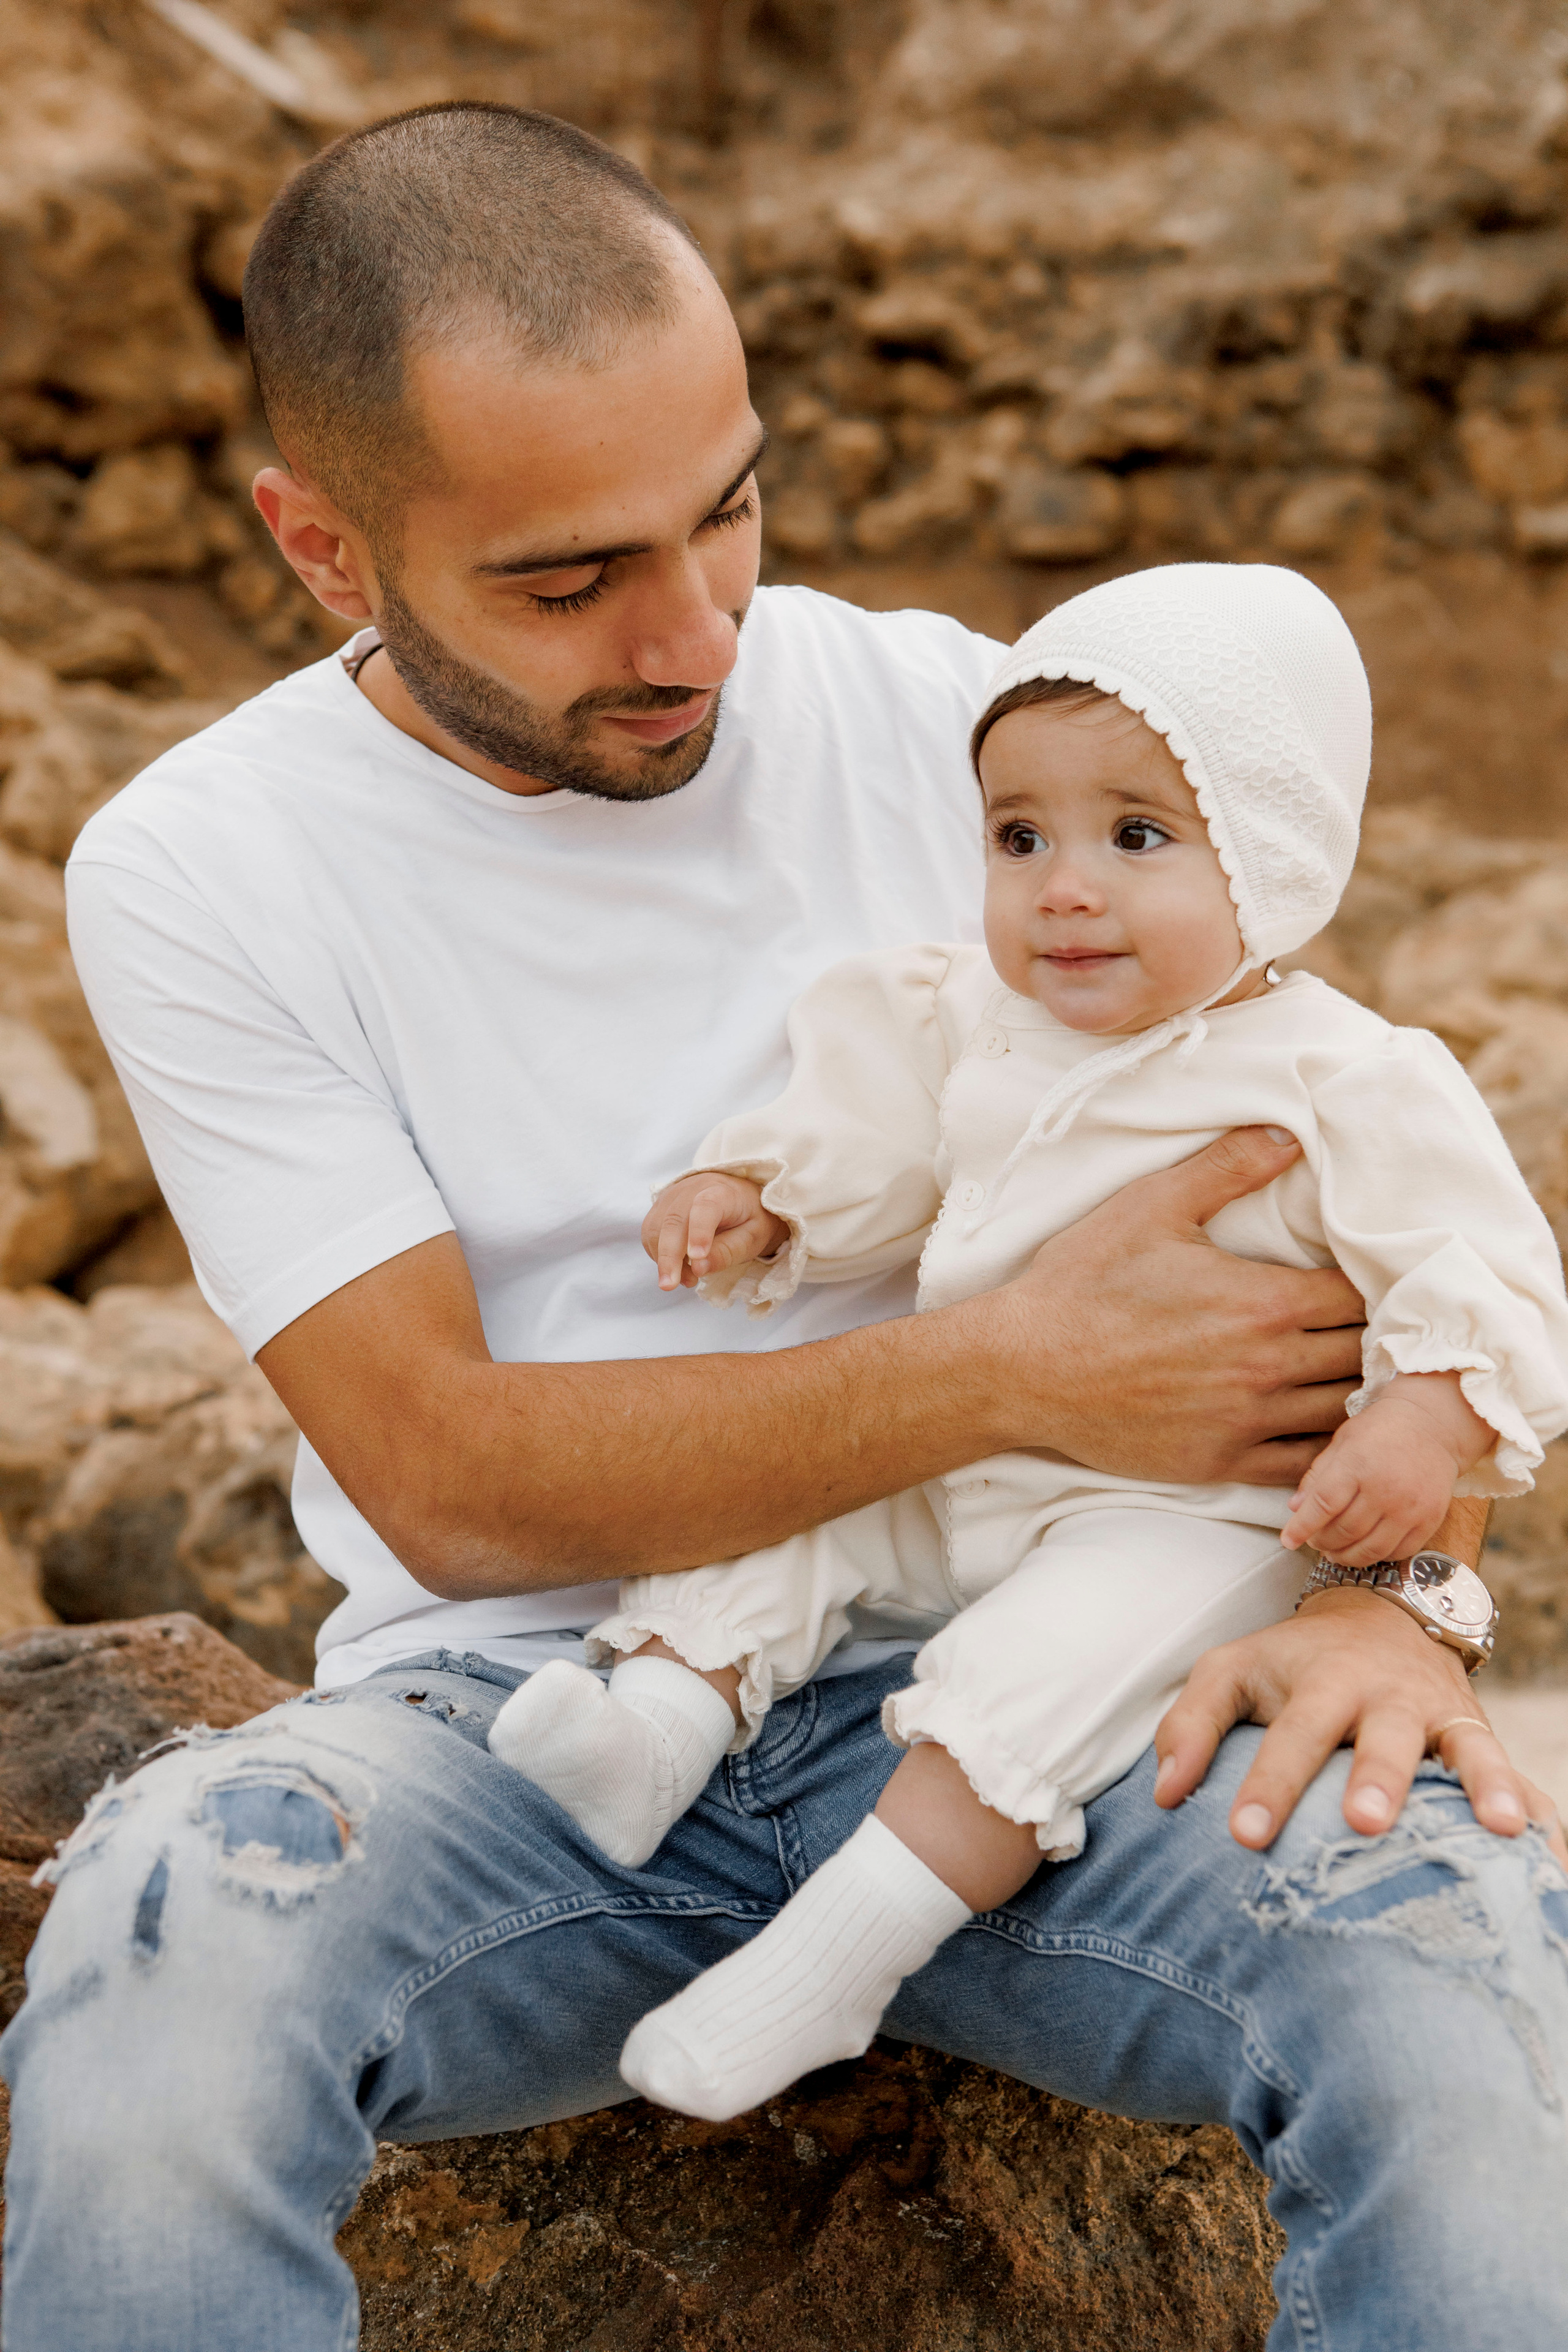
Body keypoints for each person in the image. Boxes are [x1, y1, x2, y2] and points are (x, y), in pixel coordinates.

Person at [2, 102, 1564, 2352]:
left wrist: (1394, 1598)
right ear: (324, 548)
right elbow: (449, 1474)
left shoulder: (959, 722)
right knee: (157, 1931)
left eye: (726, 511)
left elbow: (1329, 1192)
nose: (695, 632)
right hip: (522, 1732)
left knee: (1485, 1968)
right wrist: (1011, 1366)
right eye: (568, 580)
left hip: (1056, 1685)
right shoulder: (201, 867)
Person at [478, 562, 1568, 2122]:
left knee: (1041, 1673)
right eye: (1018, 837)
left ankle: (838, 1956)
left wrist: (1422, 1419)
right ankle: (656, 1724)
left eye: (1135, 838)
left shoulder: (1347, 1078)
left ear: (1270, 855)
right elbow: (861, 1125)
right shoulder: (970, 1021)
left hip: (1185, 1519)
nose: (1062, 886)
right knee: (795, 1499)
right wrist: (765, 1194)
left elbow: (1476, 1272)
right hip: (973, 1454)